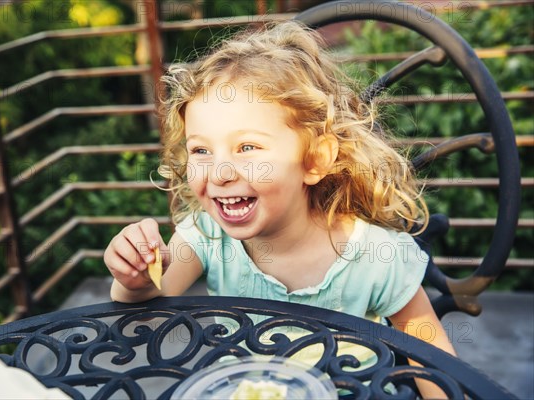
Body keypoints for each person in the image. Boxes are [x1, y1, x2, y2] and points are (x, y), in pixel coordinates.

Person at [104, 20, 456, 398]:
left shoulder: (375, 256)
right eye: (201, 150)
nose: (220, 173)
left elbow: (434, 362)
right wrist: (134, 278)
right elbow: (149, 304)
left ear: (315, 160)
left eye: (248, 148)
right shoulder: (206, 236)